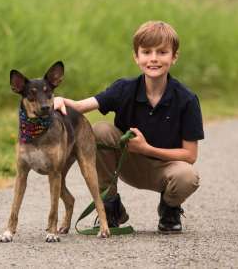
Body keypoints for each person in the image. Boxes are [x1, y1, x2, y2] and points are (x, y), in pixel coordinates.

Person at [54, 21, 204, 233]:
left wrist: (146, 149)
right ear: (136, 56)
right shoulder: (124, 89)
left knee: (188, 176)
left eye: (162, 52)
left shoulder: (187, 99)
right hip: (127, 163)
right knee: (99, 131)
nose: (153, 58)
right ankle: (111, 205)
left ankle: (170, 208)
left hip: (165, 169)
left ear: (174, 57)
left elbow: (189, 155)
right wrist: (59, 100)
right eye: (146, 52)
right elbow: (80, 106)